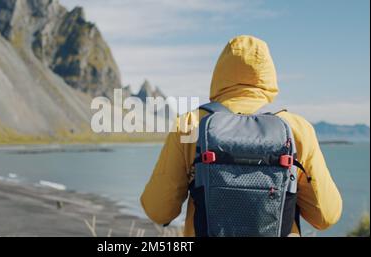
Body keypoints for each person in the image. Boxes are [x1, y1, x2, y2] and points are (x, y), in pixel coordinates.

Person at [141, 35, 342, 237]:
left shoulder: (189, 124)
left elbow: (158, 210)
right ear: (268, 74)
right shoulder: (297, 128)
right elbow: (325, 216)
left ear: (220, 72)